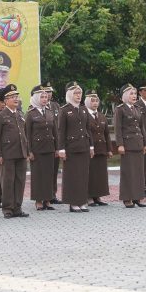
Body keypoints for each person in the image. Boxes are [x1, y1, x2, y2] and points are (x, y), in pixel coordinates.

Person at [0, 84, 30, 218]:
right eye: (12, 97)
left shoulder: (19, 114)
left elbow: (24, 135)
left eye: (16, 96)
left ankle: (17, 207)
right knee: (7, 181)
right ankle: (7, 208)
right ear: (5, 100)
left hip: (21, 153)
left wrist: (27, 151)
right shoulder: (0, 116)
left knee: (20, 181)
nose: (16, 99)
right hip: (7, 154)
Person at [58, 81, 94, 212]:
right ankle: (73, 203)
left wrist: (91, 146)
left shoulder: (84, 109)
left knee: (83, 175)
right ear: (70, 94)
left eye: (80, 93)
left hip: (83, 146)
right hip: (71, 148)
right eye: (76, 93)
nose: (78, 95)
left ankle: (82, 201)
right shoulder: (64, 110)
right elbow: (61, 131)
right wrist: (61, 149)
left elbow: (88, 129)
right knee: (72, 175)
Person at [114, 84, 146, 208]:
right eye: (131, 94)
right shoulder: (120, 109)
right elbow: (118, 129)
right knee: (128, 172)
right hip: (127, 145)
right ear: (125, 95)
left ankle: (137, 197)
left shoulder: (137, 108)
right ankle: (127, 198)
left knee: (139, 172)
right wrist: (120, 145)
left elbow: (142, 128)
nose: (134, 96)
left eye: (135, 94)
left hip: (138, 143)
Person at [26, 84, 58, 210]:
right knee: (38, 175)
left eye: (46, 97)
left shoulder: (50, 112)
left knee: (49, 174)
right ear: (36, 98)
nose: (45, 99)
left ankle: (48, 199)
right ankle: (38, 200)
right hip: (37, 149)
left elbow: (55, 131)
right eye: (42, 97)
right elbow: (27, 134)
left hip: (49, 148)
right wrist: (29, 151)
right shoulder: (30, 114)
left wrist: (57, 148)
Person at [85, 90, 112, 207]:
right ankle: (89, 196)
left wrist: (109, 149)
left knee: (100, 174)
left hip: (101, 149)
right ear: (87, 102)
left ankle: (98, 196)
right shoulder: (84, 115)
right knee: (91, 174)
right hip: (90, 149)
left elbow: (107, 134)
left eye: (96, 101)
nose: (95, 103)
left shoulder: (101, 116)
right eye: (92, 101)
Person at [44, 83, 64, 204]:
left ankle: (53, 194)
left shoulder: (56, 106)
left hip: (56, 142)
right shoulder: (36, 106)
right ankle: (45, 195)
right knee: (45, 171)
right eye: (46, 92)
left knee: (54, 170)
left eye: (50, 91)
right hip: (44, 143)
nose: (49, 94)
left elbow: (60, 125)